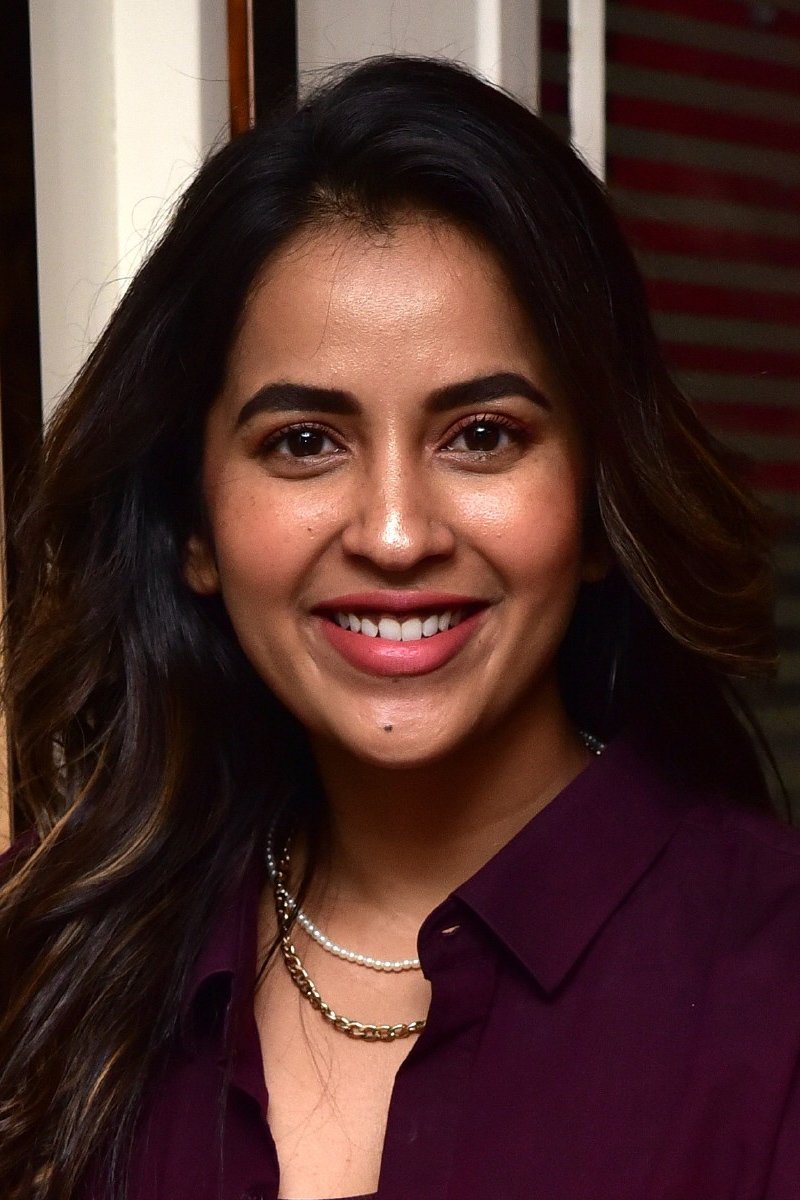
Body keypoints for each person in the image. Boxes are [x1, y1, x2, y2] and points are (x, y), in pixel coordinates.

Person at [1, 53, 799, 1200]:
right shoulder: (46, 964)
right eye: (302, 443)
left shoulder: (767, 989)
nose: (392, 532)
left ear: (596, 504)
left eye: (481, 436)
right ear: (194, 526)